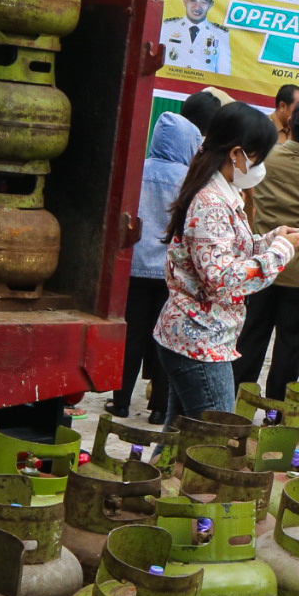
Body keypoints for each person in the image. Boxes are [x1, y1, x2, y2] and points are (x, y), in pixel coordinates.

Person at [154, 103, 299, 423]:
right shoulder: (212, 201)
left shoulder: (219, 191)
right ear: (238, 154)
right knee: (215, 441)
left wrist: (270, 240)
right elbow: (222, 278)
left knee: (180, 440)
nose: (262, 166)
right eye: (261, 157)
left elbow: (221, 249)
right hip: (199, 342)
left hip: (195, 336)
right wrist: (280, 251)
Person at [237, 97, 299, 397]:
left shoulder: (266, 158)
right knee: (290, 348)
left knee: (249, 339)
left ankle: (234, 405)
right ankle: (275, 413)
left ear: (289, 125)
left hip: (260, 268)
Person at [114, 103, 207, 420]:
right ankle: (159, 408)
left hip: (134, 269)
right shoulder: (192, 181)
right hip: (171, 275)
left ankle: (122, 401)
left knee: (131, 336)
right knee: (166, 339)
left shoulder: (136, 170)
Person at [159, 0, 232, 75]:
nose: (197, 7)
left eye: (203, 2)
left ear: (211, 5)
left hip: (203, 91)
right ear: (185, 0)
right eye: (193, 0)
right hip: (169, 89)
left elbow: (224, 75)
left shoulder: (221, 34)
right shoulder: (167, 27)